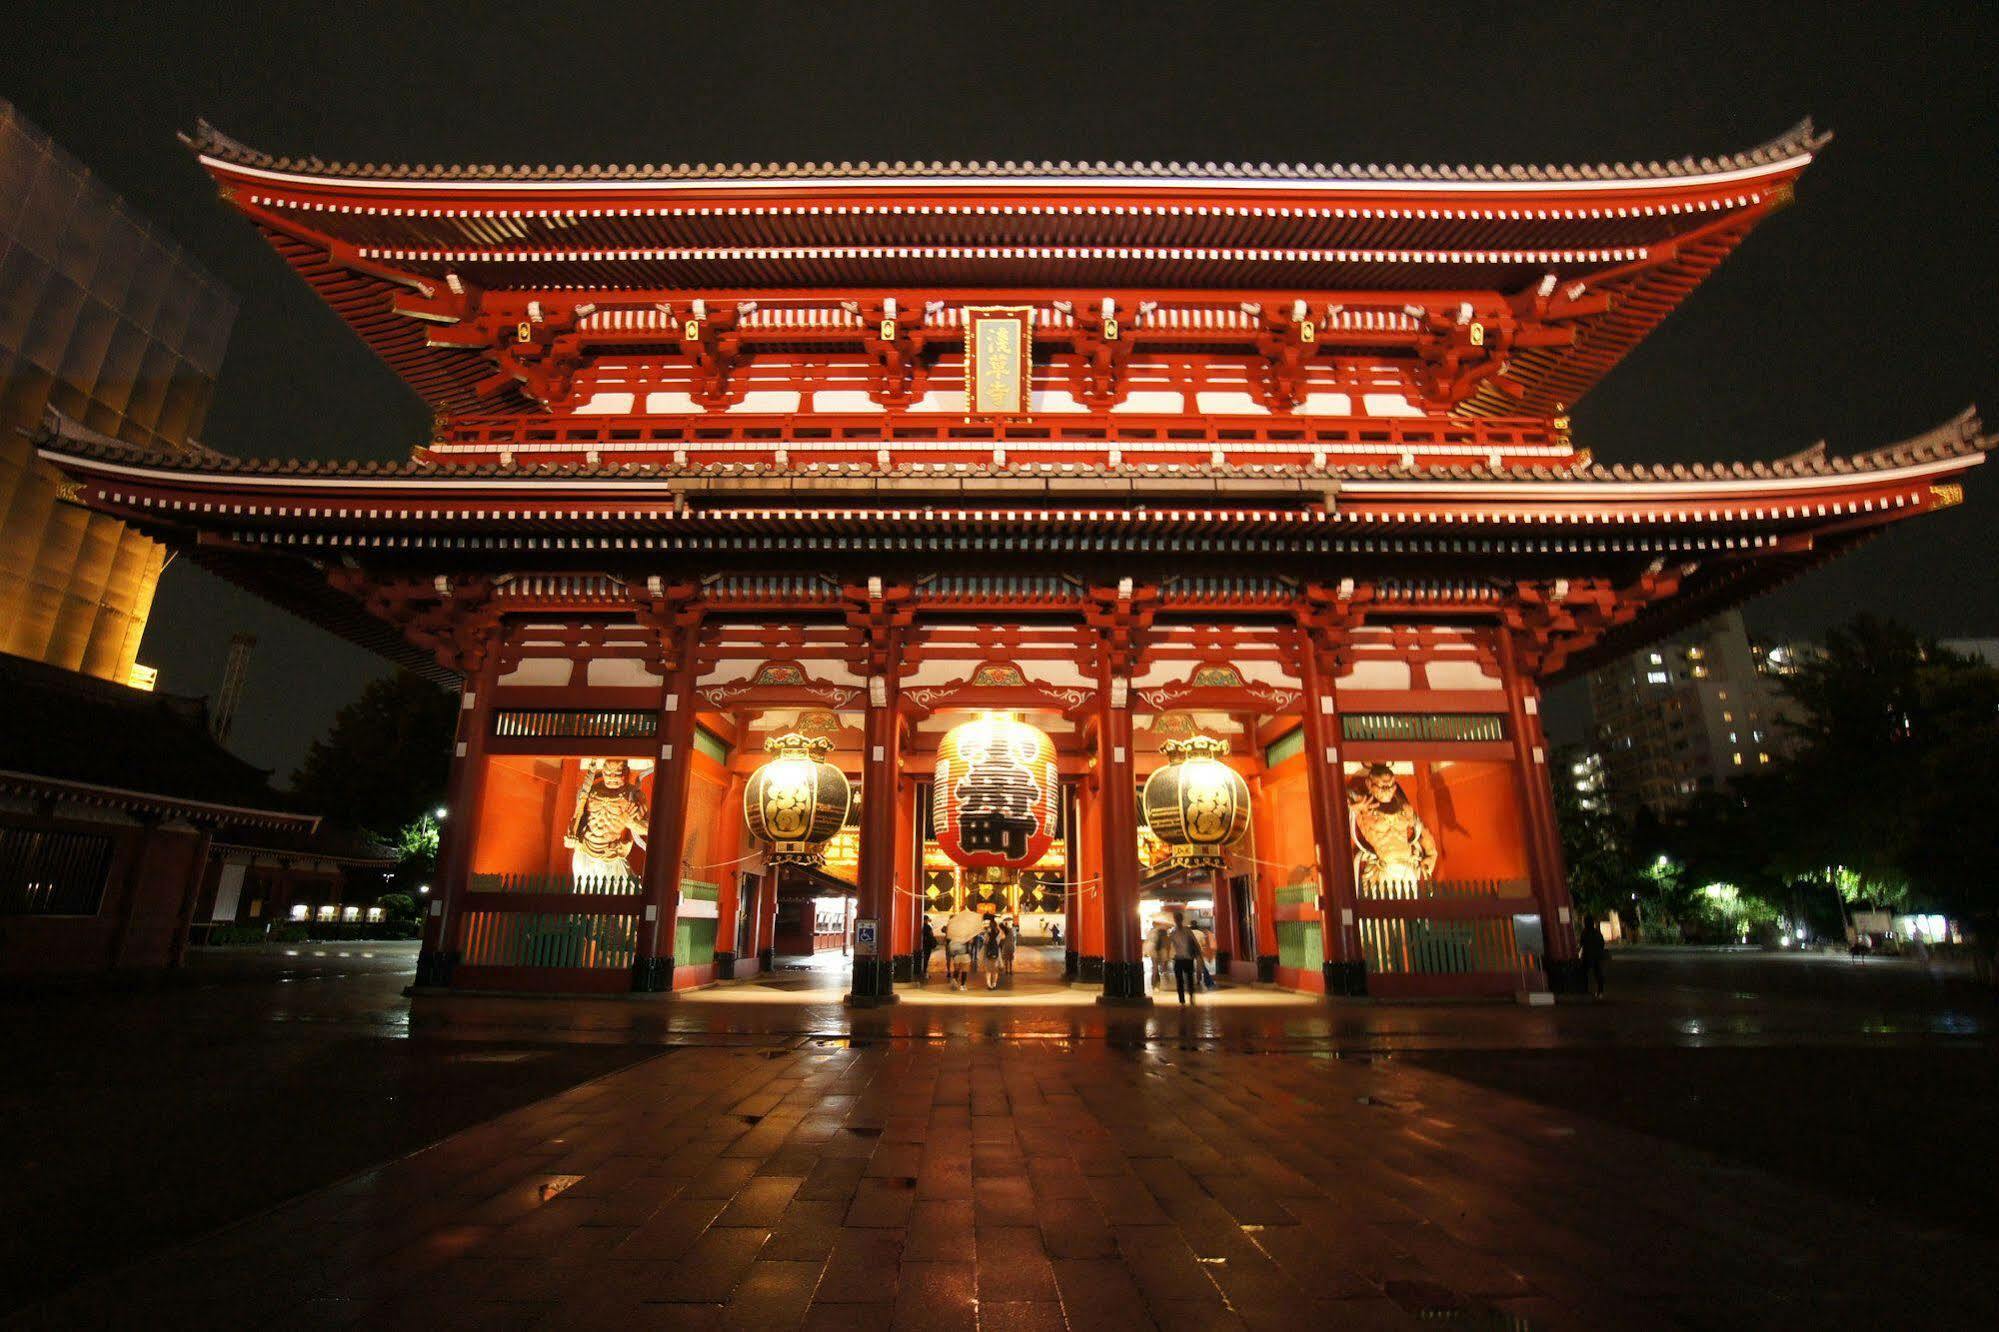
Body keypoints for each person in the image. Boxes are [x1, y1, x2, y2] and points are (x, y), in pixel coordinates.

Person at [1168, 911, 1201, 1005]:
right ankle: (1182, 999)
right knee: (1180, 980)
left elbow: (1195, 943)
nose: (1177, 920)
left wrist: (1198, 955)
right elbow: (1169, 946)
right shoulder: (1173, 932)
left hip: (1187, 958)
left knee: (1189, 979)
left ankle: (1190, 996)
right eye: (1176, 919)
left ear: (1180, 919)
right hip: (1178, 958)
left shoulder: (1186, 930)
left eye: (1178, 918)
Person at [1580, 915, 1607, 998]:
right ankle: (1600, 992)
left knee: (1584, 973)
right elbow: (1602, 943)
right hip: (1597, 955)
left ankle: (1585, 990)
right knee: (1598, 973)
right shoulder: (1597, 932)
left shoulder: (1584, 933)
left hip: (1587, 955)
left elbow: (1582, 943)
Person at [1150, 922, 1172, 991]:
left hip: (1154, 951)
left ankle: (1155, 986)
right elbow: (1167, 945)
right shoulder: (1164, 933)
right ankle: (1157, 984)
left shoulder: (1152, 932)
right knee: (1158, 969)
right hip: (1160, 951)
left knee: (1155, 969)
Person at [920, 917, 938, 985]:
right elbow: (931, 934)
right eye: (927, 920)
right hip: (927, 944)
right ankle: (924, 971)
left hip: (921, 944)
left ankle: (923, 970)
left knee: (923, 957)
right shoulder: (928, 927)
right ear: (926, 920)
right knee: (926, 958)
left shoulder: (920, 926)